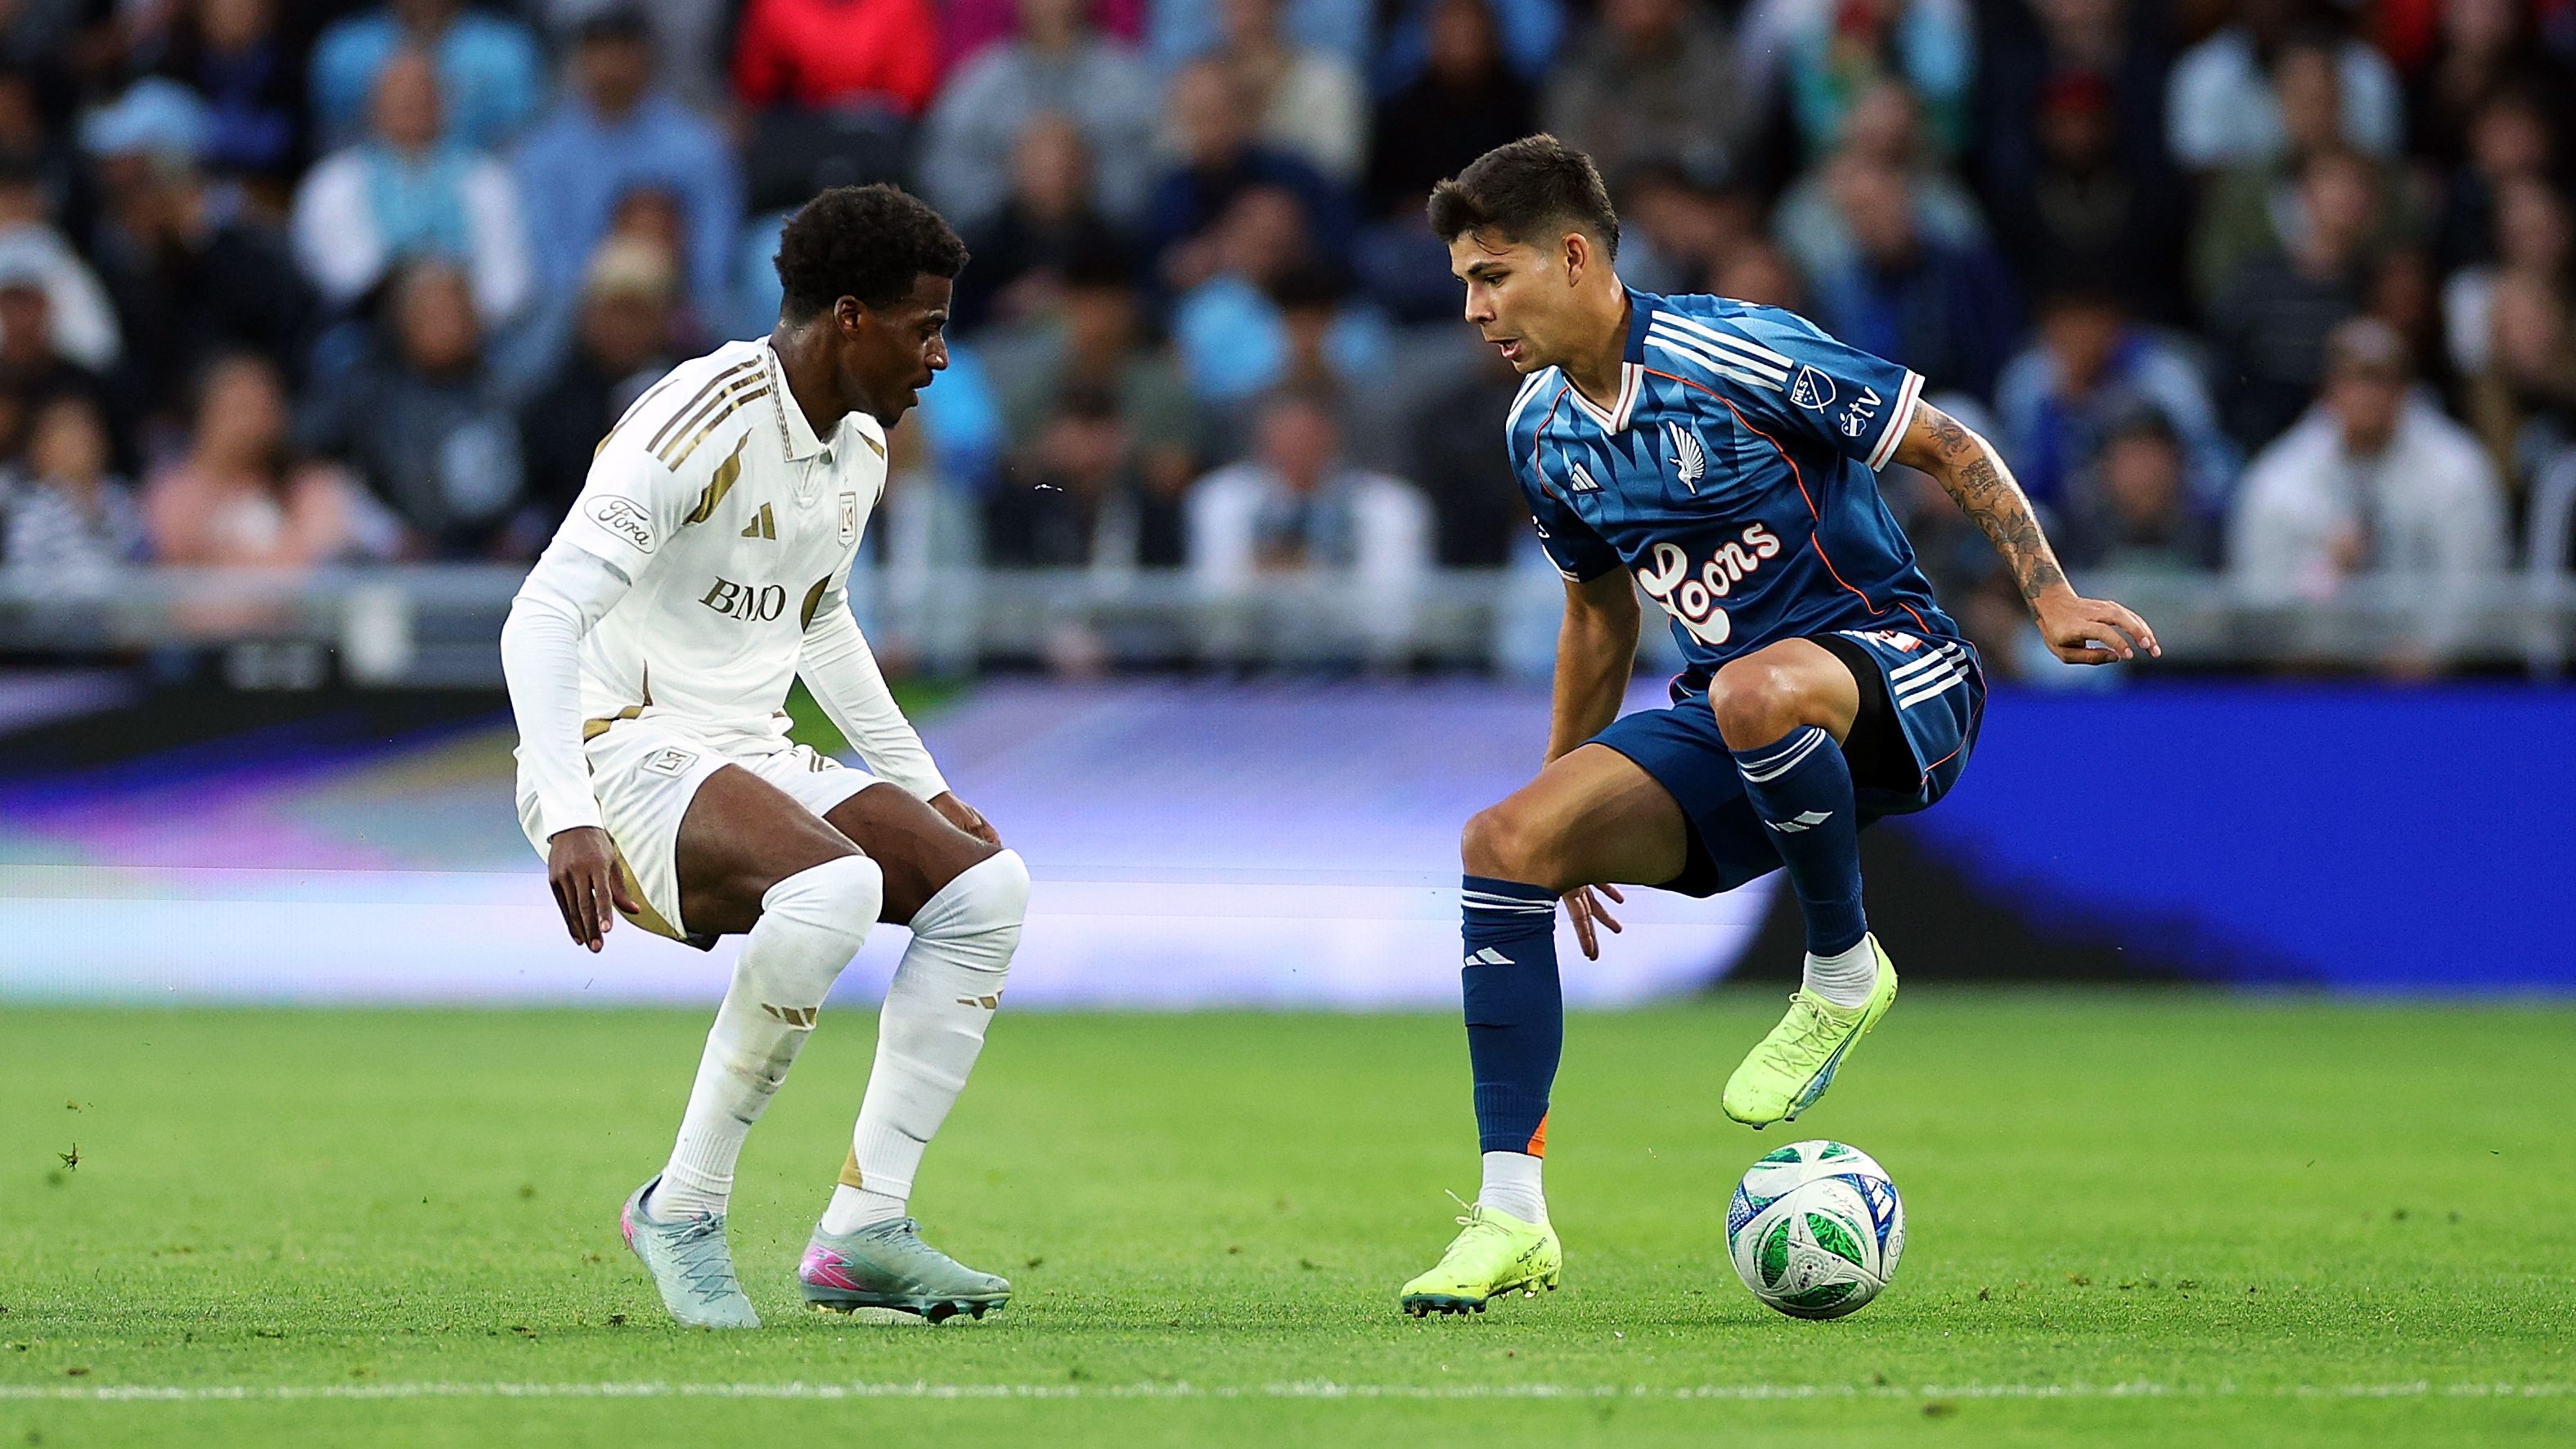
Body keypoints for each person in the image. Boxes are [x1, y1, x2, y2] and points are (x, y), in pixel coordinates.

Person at [1398, 136, 2158, 1314]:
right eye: (1461, 282)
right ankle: (1511, 1218)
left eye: (1490, 276)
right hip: (1743, 723)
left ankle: (1840, 969)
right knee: (1501, 844)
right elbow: (1597, 619)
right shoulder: (1538, 430)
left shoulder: (1732, 349)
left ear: (1572, 255)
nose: (1472, 309)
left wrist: (2046, 592)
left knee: (1757, 688)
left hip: (1900, 674)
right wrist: (1565, 800)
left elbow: (1943, 443)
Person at [498, 185, 1027, 1330]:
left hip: (742, 750)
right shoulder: (697, 419)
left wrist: (923, 783)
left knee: (988, 890)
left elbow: (819, 619)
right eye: (923, 326)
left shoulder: (861, 446)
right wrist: (565, 804)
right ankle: (679, 1208)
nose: (940, 355)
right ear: (847, 317)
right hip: (614, 751)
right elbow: (538, 616)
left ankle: (863, 1231)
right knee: (830, 885)